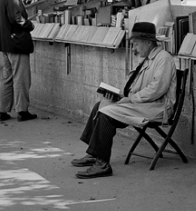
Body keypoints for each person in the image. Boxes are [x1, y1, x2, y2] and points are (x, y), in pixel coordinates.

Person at [71, 22, 177, 179]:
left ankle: (102, 164)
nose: (134, 49)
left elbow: (157, 89)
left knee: (106, 113)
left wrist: (130, 99)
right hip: (144, 104)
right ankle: (94, 153)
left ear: (148, 42)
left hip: (157, 108)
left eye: (136, 44)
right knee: (100, 105)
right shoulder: (148, 59)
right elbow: (140, 87)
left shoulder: (163, 58)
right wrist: (121, 96)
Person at [0, 0, 36, 122]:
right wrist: (29, 25)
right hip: (16, 43)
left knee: (7, 77)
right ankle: (22, 111)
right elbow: (17, 18)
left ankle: (2, 111)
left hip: (5, 43)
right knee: (21, 78)